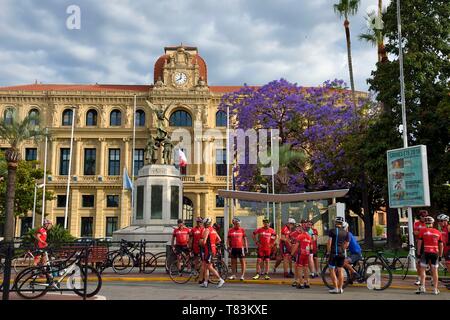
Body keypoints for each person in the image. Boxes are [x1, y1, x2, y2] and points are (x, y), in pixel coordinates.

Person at [416, 216, 444, 295]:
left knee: (423, 270)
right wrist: (441, 256)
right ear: (433, 223)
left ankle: (423, 287)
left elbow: (419, 243)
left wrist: (418, 253)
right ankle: (435, 289)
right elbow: (441, 245)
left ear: (425, 223)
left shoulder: (422, 231)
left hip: (425, 252)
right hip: (435, 253)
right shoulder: (438, 232)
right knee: (435, 271)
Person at [326, 216, 350, 294]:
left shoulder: (332, 231)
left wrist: (328, 252)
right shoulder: (346, 232)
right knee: (340, 270)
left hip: (334, 253)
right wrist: (342, 249)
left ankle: (335, 288)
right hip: (342, 253)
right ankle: (341, 289)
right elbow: (347, 244)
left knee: (332, 270)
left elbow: (329, 242)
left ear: (336, 222)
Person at [199, 217, 225, 288]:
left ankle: (220, 279)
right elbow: (219, 239)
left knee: (209, 266)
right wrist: (213, 243)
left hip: (208, 250)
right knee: (205, 265)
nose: (203, 224)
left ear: (206, 223)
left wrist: (200, 242)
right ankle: (205, 282)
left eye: (204, 223)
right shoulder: (213, 230)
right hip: (213, 249)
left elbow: (204, 242)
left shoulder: (207, 230)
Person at [291, 220, 312, 289]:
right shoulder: (309, 236)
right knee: (306, 267)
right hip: (307, 253)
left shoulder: (300, 236)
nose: (299, 229)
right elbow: (311, 247)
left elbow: (296, 246)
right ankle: (307, 282)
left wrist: (292, 254)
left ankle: (301, 283)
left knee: (299, 267)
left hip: (300, 254)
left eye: (300, 228)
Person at [413, 210, 429, 285]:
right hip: (419, 245)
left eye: (426, 216)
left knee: (430, 263)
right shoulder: (416, 223)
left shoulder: (429, 223)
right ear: (420, 216)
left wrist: (421, 231)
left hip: (428, 245)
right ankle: (419, 278)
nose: (424, 218)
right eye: (423, 216)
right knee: (418, 263)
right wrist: (425, 231)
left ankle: (432, 279)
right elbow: (415, 232)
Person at [190, 217, 204, 283]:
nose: (199, 223)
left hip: (202, 248)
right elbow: (191, 239)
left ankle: (198, 272)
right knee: (196, 260)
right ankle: (195, 271)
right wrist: (190, 246)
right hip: (195, 247)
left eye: (200, 222)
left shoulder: (204, 229)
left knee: (203, 261)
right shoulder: (193, 229)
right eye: (198, 222)